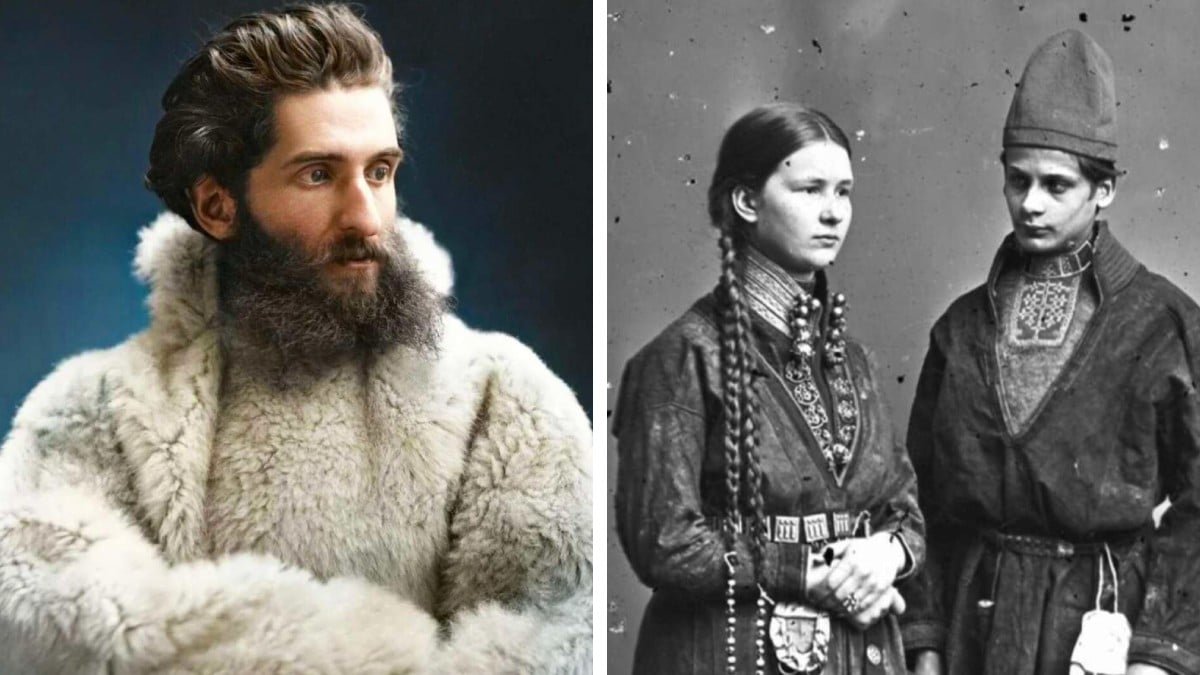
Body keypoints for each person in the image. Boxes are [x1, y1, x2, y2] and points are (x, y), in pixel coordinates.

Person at [0, 5, 590, 673]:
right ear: (218, 206)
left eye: (380, 171)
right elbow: (42, 611)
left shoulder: (501, 400)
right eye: (319, 174)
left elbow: (560, 636)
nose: (367, 217)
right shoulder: (95, 414)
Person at [902, 30, 1200, 675]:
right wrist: (924, 640)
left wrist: (1159, 656)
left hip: (1100, 631)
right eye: (1018, 181)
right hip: (971, 633)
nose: (1031, 204)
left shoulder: (1164, 324)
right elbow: (919, 495)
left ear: (1105, 190)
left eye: (1056, 185)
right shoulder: (960, 329)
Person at [613, 103, 925, 675]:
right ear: (747, 201)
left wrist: (884, 555)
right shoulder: (681, 358)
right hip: (731, 651)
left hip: (860, 651)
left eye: (844, 192)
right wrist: (809, 573)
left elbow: (903, 508)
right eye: (809, 190)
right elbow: (664, 540)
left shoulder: (851, 360)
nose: (833, 213)